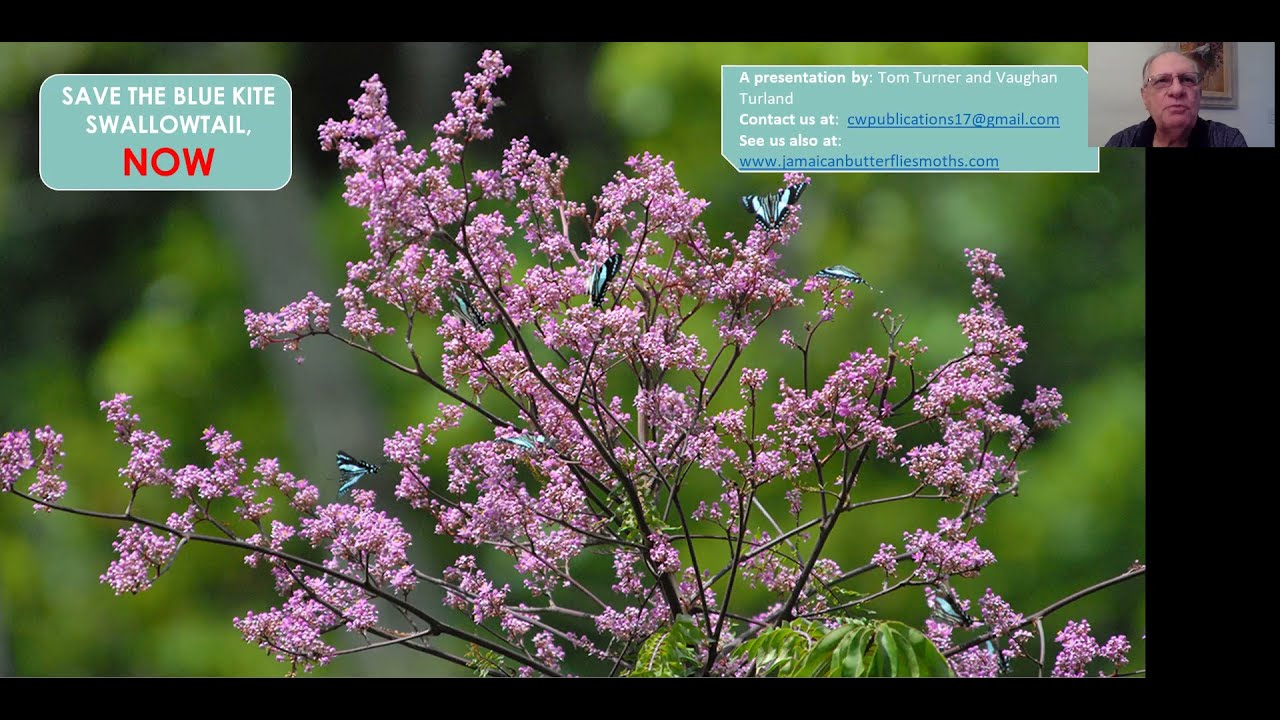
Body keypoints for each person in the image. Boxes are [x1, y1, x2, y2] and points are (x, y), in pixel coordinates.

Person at [1105, 51, 1248, 147]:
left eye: (1187, 79)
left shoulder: (1228, 140)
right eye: (1162, 80)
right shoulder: (1120, 144)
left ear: (1199, 94)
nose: (1177, 90)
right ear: (1145, 97)